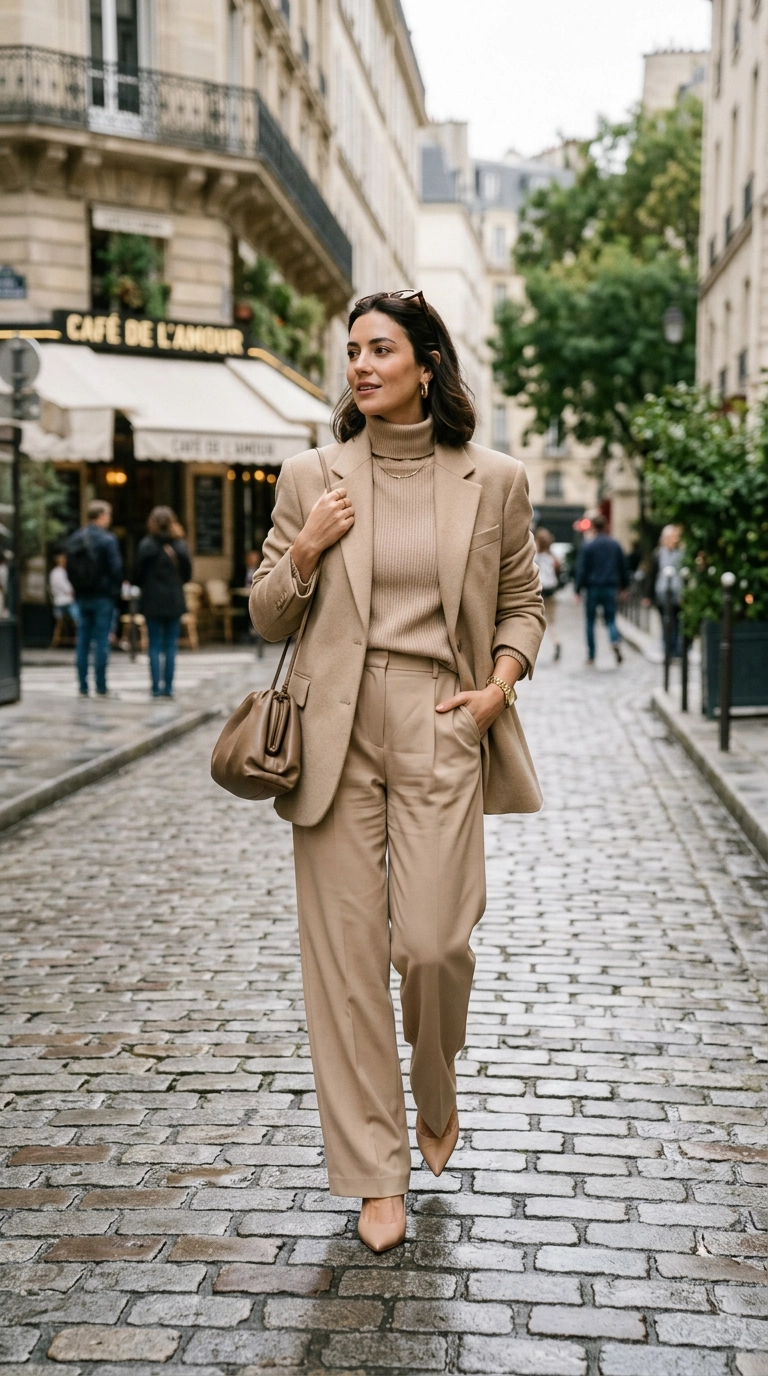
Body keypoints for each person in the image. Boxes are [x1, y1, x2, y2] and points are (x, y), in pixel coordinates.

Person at [250, 289, 545, 1254]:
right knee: (343, 963)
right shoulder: (311, 475)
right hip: (333, 730)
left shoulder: (492, 479)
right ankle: (377, 1176)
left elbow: (522, 601)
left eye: (382, 349)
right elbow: (265, 613)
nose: (362, 366)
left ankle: (438, 1072)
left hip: (441, 719)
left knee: (430, 943)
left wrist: (499, 687)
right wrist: (302, 553)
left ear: (427, 365)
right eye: (352, 352)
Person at [66, 499, 122, 697]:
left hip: (82, 596)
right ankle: (100, 685)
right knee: (101, 642)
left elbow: (69, 568)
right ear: (101, 516)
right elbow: (116, 570)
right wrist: (115, 591)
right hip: (103, 597)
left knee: (82, 641)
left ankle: (82, 685)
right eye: (108, 516)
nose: (109, 519)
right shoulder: (107, 540)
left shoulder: (75, 538)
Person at [134, 506, 192, 698]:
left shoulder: (146, 545)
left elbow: (137, 575)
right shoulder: (180, 545)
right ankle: (168, 688)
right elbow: (188, 574)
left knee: (154, 645)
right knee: (170, 646)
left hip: (152, 600)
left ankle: (155, 687)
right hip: (173, 599)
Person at [574, 513, 629, 666]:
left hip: (592, 588)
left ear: (592, 527)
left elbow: (582, 569)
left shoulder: (588, 545)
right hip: (610, 587)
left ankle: (591, 655)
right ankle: (614, 640)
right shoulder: (614, 544)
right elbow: (622, 567)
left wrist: (577, 590)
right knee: (610, 619)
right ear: (605, 526)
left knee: (590, 622)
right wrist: (624, 587)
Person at [647, 524, 684, 658]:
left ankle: (678, 649)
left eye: (676, 537)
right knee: (666, 621)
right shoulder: (658, 553)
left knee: (678, 621)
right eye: (671, 537)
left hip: (680, 593)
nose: (674, 539)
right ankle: (668, 649)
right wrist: (648, 595)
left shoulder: (682, 553)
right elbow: (652, 574)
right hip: (662, 594)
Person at [534, 528, 561, 661]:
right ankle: (556, 642)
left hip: (537, 592)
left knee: (534, 621)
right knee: (551, 622)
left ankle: (531, 648)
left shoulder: (534, 557)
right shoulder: (553, 557)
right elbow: (558, 572)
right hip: (550, 592)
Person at [49, 550, 80, 639]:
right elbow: (67, 588)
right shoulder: (59, 573)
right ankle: (82, 637)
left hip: (61, 601)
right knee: (80, 616)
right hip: (63, 602)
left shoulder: (59, 572)